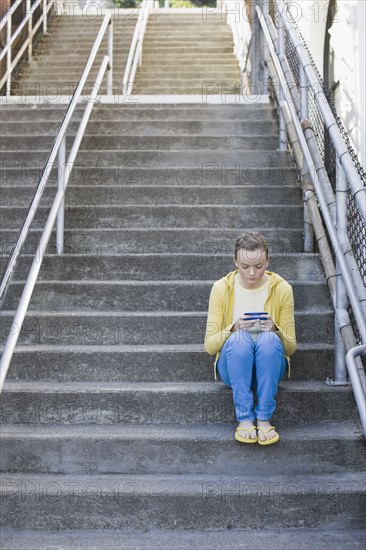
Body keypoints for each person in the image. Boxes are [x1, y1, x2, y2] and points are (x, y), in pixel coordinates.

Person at [204, 232, 296, 445]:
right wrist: (233, 328)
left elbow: (290, 348)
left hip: (271, 368)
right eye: (244, 267)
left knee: (269, 340)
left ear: (268, 261)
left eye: (259, 266)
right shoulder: (221, 288)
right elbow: (210, 346)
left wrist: (276, 330)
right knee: (240, 340)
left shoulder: (282, 289)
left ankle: (263, 417)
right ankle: (245, 418)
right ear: (235, 261)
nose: (252, 273)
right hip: (234, 369)